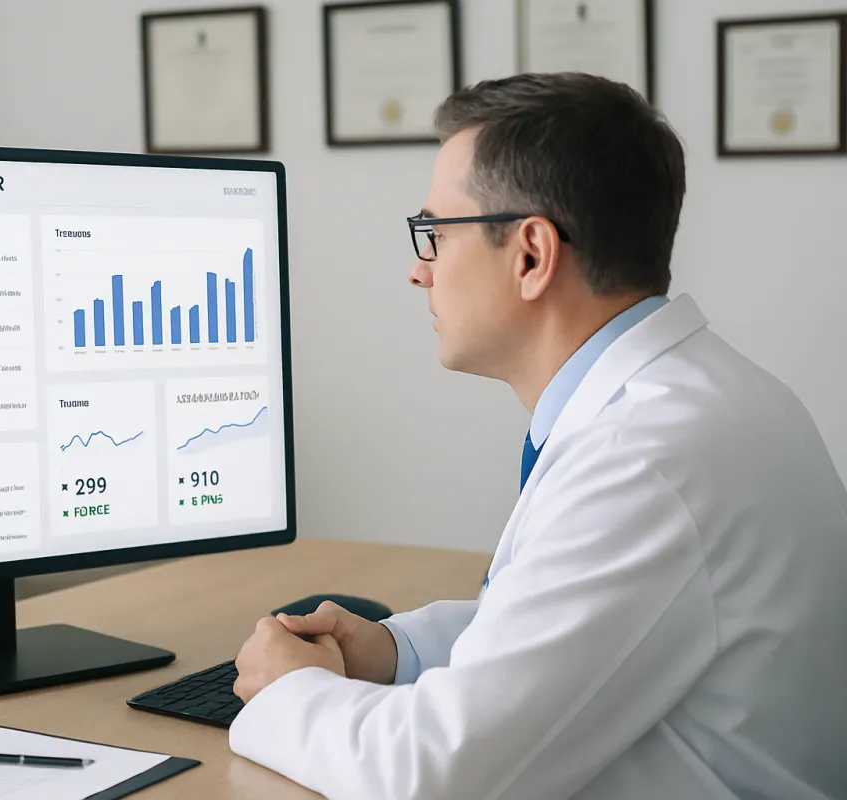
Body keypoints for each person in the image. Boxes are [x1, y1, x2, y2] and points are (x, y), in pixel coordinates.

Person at [227, 72, 847, 799]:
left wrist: (289, 691)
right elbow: (580, 633)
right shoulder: (702, 399)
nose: (417, 272)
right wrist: (399, 651)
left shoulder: (642, 458)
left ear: (530, 255)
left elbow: (431, 777)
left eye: (434, 234)